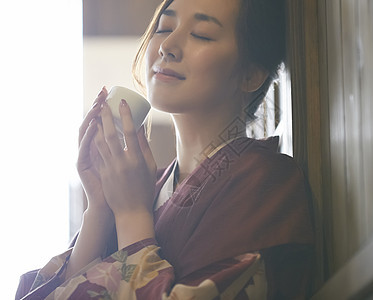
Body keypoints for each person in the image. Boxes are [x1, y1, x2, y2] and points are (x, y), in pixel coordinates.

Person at [16, 0, 314, 298]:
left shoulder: (264, 181)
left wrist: (132, 214)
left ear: (251, 73)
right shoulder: (149, 187)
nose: (167, 45)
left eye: (201, 34)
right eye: (164, 27)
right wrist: (100, 208)